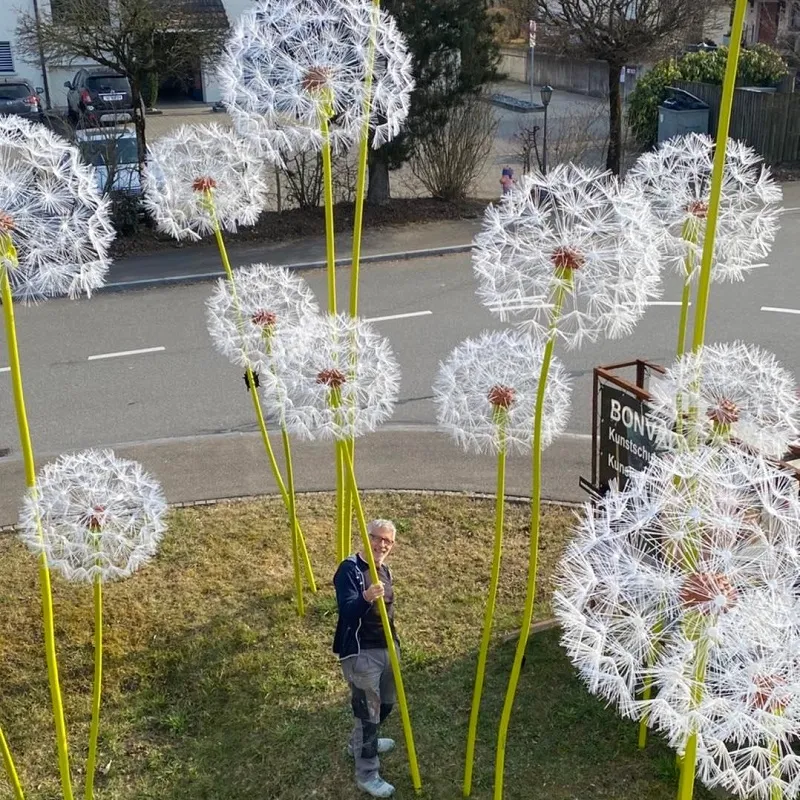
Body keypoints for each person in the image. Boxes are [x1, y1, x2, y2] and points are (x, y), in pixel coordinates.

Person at [333, 519, 400, 798]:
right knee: (368, 715)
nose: (381, 544)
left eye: (387, 541)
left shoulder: (384, 570)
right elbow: (347, 611)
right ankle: (367, 774)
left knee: (386, 705)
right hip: (362, 654)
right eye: (377, 538)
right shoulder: (349, 569)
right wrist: (365, 597)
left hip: (387, 650)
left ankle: (357, 744)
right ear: (366, 537)